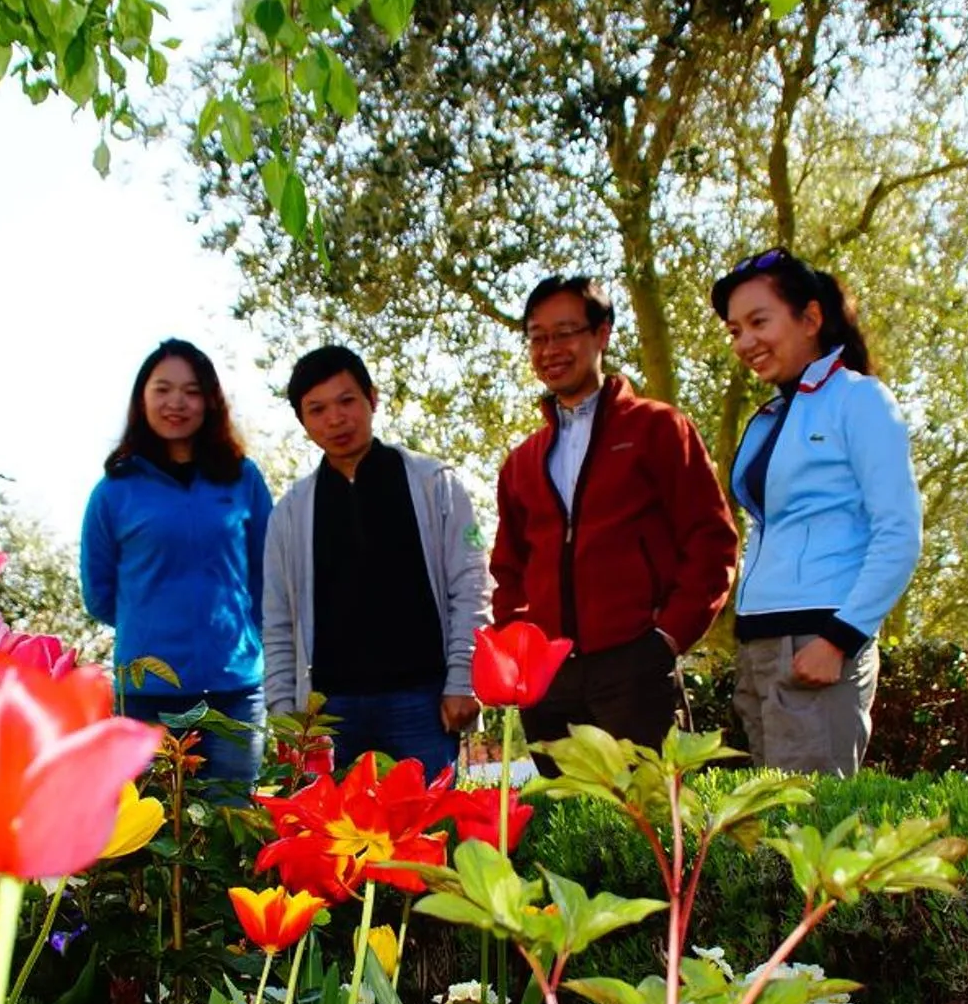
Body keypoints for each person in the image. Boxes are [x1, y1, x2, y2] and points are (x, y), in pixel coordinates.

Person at [490, 274, 738, 748]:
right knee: (565, 816)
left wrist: (666, 637)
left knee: (649, 816)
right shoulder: (521, 462)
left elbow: (712, 541)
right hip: (549, 681)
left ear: (601, 333)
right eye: (537, 338)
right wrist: (520, 650)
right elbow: (508, 569)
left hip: (636, 666)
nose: (550, 349)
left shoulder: (659, 428)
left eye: (565, 333)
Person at [713, 251, 921, 776]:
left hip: (817, 644)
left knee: (813, 829)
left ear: (810, 319)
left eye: (759, 322)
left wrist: (839, 639)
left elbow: (898, 533)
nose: (744, 343)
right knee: (769, 834)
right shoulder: (772, 415)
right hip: (761, 643)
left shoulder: (860, 400)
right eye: (735, 330)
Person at [262, 345, 488, 775]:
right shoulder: (290, 513)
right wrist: (284, 712)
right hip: (328, 713)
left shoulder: (434, 484)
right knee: (333, 840)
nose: (335, 418)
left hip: (422, 702)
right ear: (303, 421)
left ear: (372, 398)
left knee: (427, 834)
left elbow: (471, 585)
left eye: (347, 400)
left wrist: (463, 678)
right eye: (317, 409)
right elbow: (277, 620)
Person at [80, 339, 275, 784]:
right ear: (141, 399)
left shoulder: (243, 478)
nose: (176, 403)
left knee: (234, 823)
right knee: (154, 830)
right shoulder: (114, 490)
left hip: (236, 690)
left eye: (191, 391)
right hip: (147, 698)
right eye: (162, 389)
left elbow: (268, 576)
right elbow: (99, 593)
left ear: (210, 400)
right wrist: (153, 622)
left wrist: (243, 636)